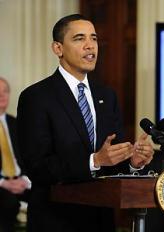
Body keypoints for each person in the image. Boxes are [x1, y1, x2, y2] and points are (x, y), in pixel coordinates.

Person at [16, 14, 154, 232]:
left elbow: (112, 161)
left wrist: (132, 161)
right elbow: (37, 167)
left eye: (94, 38)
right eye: (79, 39)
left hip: (101, 219)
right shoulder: (36, 97)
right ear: (58, 48)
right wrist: (94, 160)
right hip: (56, 220)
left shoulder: (107, 96)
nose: (90, 46)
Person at [0, 77, 30, 232]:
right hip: (1, 184)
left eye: (5, 91)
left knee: (46, 196)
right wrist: (3, 183)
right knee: (9, 203)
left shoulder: (15, 123)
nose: (2, 95)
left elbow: (27, 156)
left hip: (20, 180)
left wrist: (24, 178)